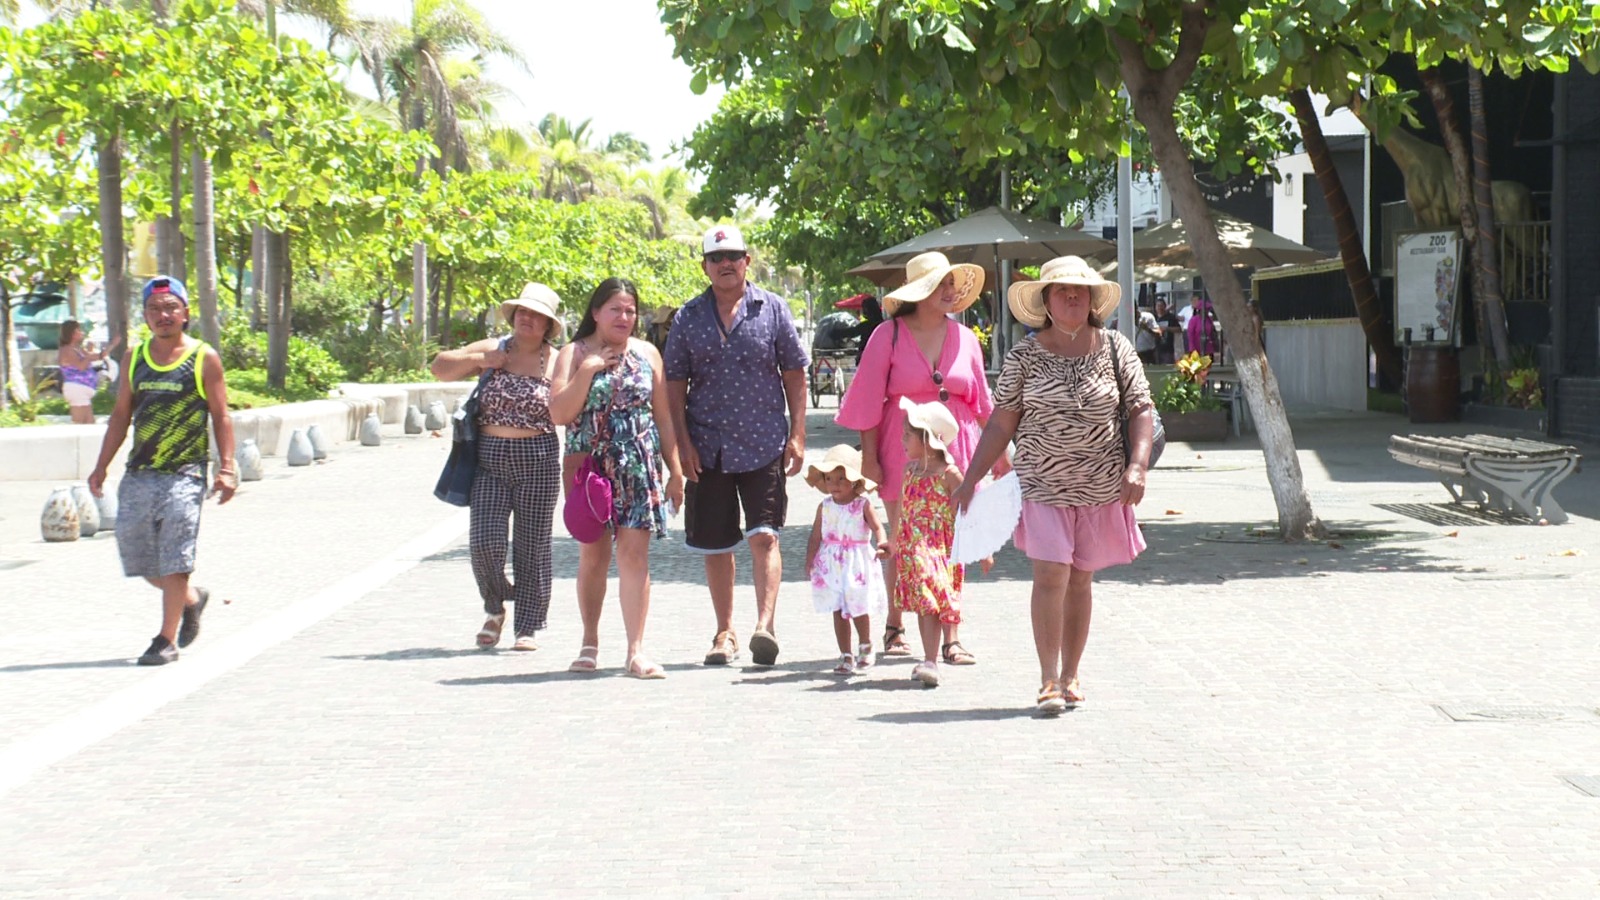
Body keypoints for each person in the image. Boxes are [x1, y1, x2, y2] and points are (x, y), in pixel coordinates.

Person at [954, 256, 1155, 716]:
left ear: (1092, 300)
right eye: (1061, 290)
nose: (1071, 297)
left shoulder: (1116, 349)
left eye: (1080, 291)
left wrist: (1138, 466)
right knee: (1050, 577)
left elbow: (1140, 409)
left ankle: (1071, 674)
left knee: (1080, 580)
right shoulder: (1024, 356)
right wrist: (971, 478)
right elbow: (1002, 421)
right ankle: (1048, 679)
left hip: (1103, 487)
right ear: (1045, 300)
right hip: (1043, 487)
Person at [835, 250, 1001, 664]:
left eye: (951, 284)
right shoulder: (887, 335)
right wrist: (869, 460)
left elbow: (984, 404)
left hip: (956, 450)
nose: (948, 291)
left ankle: (952, 635)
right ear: (919, 290)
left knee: (952, 543)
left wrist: (1001, 457)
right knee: (905, 540)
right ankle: (895, 624)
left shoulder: (965, 338)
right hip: (900, 448)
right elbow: (868, 402)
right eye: (940, 284)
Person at [664, 225, 809, 667]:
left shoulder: (774, 309)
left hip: (763, 441)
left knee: (765, 535)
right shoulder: (688, 318)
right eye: (716, 257)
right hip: (707, 447)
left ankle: (765, 625)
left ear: (747, 260)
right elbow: (673, 385)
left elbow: (795, 374)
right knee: (716, 543)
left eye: (734, 255)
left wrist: (798, 434)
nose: (726, 263)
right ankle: (724, 632)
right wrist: (682, 446)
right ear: (705, 266)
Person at [87, 276, 235, 666]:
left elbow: (221, 416)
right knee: (138, 559)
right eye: (155, 309)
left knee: (176, 556)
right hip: (140, 473)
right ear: (146, 317)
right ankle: (191, 600)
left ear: (185, 313)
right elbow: (121, 416)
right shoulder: (135, 357)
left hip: (185, 473)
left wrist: (228, 467)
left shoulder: (204, 357)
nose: (163, 315)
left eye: (171, 308)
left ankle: (164, 640)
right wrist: (101, 466)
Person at [551, 278, 684, 679]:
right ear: (595, 312)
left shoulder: (647, 354)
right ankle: (589, 643)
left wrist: (675, 470)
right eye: (615, 309)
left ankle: (635, 650)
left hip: (639, 464)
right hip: (589, 468)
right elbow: (559, 412)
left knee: (634, 556)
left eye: (630, 310)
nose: (624, 317)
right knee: (593, 555)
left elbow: (662, 416)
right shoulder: (573, 354)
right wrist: (588, 371)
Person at [430, 283, 563, 652]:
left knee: (532, 545)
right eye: (523, 311)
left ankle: (528, 626)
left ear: (549, 325)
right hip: (489, 456)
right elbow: (439, 367)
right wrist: (478, 362)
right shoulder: (494, 348)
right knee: (485, 543)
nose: (528, 318)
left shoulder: (558, 360)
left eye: (537, 315)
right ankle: (495, 606)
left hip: (538, 457)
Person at [891, 398, 988, 688]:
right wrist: (893, 541)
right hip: (912, 547)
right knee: (924, 603)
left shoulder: (949, 474)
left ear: (927, 438)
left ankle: (931, 660)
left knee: (929, 597)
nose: (902, 439)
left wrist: (983, 547)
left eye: (908, 434)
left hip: (937, 550)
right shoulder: (910, 471)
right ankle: (929, 659)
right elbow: (901, 507)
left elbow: (969, 509)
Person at [804, 444, 889, 677]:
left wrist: (882, 543)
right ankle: (845, 654)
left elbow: (877, 527)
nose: (835, 484)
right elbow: (815, 535)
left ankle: (865, 645)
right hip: (831, 563)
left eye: (842, 478)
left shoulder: (862, 505)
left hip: (857, 562)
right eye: (830, 478)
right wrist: (810, 559)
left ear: (854, 481)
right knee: (837, 608)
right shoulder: (825, 507)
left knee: (858, 605)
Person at [56, 320, 121, 424]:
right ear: (71, 333)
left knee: (90, 423)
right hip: (76, 388)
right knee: (79, 424)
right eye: (79, 330)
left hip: (83, 391)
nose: (82, 332)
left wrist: (113, 344)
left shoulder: (78, 349)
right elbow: (81, 366)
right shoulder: (66, 350)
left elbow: (99, 356)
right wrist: (89, 357)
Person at [1154, 299, 1181, 364]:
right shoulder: (1153, 318)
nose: (1160, 308)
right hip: (1154, 349)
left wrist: (1167, 328)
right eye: (1158, 306)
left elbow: (1179, 329)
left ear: (1165, 306)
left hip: (1168, 349)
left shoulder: (1170, 317)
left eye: (1161, 306)